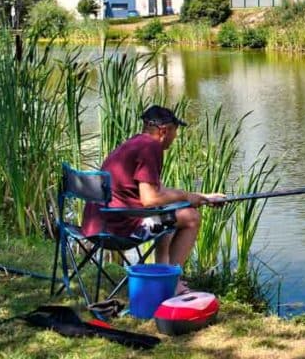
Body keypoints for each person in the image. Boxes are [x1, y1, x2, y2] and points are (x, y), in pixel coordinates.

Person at [81, 105, 224, 294]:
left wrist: (201, 197)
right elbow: (150, 199)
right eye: (175, 131)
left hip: (96, 225)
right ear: (165, 130)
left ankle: (163, 272)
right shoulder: (151, 147)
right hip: (118, 230)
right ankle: (171, 281)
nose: (175, 137)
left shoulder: (135, 143)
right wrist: (185, 197)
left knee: (168, 213)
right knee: (191, 217)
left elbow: (155, 192)